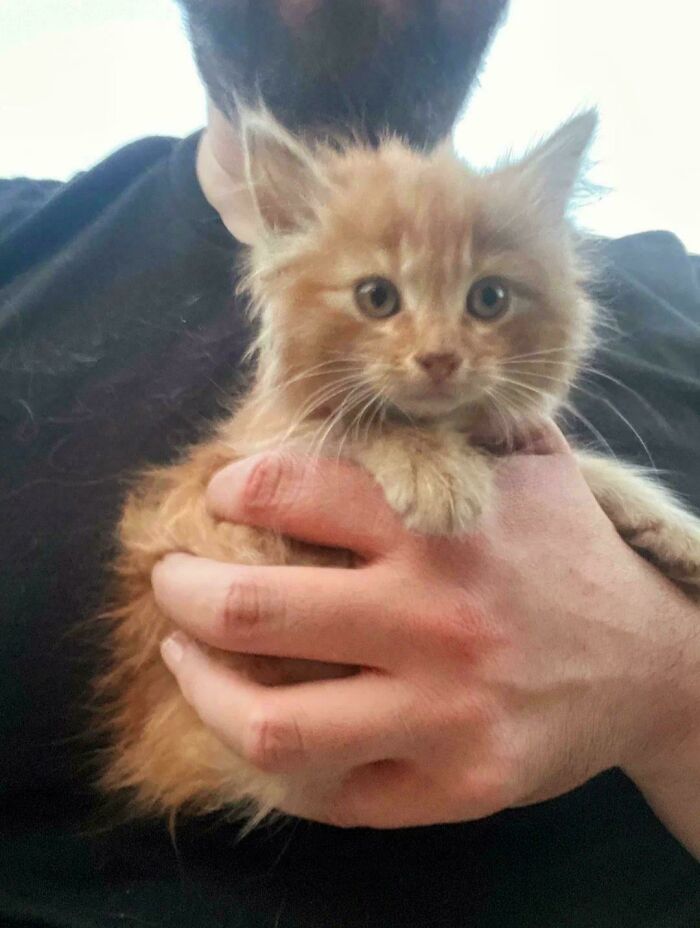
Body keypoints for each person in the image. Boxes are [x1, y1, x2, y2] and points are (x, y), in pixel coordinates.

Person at [0, 1, 698, 925]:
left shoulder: (681, 302)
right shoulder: (17, 245)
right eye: (379, 296)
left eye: (488, 299)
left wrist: (671, 686)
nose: (439, 350)